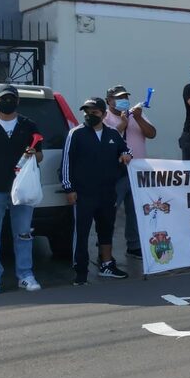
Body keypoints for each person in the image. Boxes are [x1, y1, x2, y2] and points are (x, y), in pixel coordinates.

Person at [0, 84, 43, 294]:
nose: (7, 101)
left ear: (18, 101)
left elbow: (40, 155)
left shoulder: (28, 125)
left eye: (11, 98)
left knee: (23, 234)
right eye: (3, 98)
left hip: (22, 189)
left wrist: (33, 154)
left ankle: (25, 275)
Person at [62, 97, 131, 285]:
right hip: (83, 193)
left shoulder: (113, 134)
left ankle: (107, 264)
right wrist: (69, 188)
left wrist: (126, 155)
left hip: (108, 192)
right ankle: (80, 271)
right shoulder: (75, 134)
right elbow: (66, 162)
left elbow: (126, 150)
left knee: (106, 229)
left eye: (94, 112)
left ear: (103, 113)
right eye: (86, 112)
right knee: (82, 232)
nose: (89, 115)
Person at [104, 85, 156, 259]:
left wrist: (138, 119)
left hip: (137, 170)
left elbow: (152, 133)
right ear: (109, 100)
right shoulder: (105, 117)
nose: (123, 100)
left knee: (135, 210)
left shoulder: (136, 115)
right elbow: (105, 138)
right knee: (110, 210)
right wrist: (123, 124)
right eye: (118, 97)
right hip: (116, 171)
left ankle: (133, 245)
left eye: (125, 97)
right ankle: (105, 248)